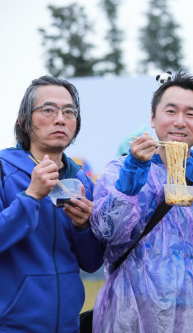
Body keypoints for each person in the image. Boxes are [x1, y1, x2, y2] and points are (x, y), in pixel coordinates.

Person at [90, 72, 193, 333]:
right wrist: (133, 172)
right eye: (170, 111)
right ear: (153, 117)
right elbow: (107, 233)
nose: (180, 122)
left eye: (191, 114)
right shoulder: (119, 169)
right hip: (131, 310)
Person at [0, 76, 105, 332]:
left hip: (68, 325)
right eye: (48, 110)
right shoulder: (4, 170)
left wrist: (83, 227)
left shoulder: (81, 181)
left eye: (69, 111)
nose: (60, 119)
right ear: (23, 121)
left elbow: (91, 263)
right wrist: (31, 196)